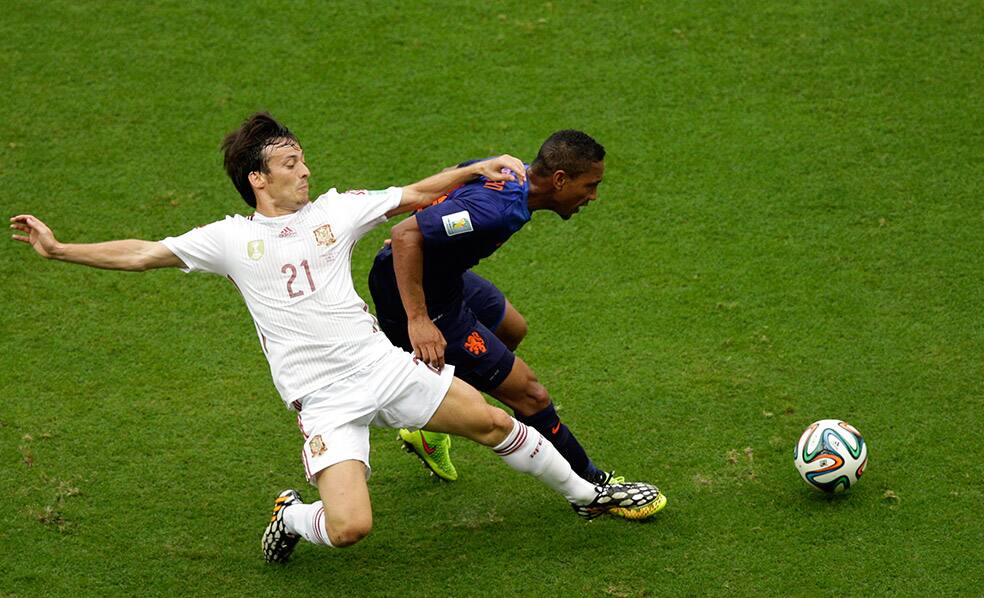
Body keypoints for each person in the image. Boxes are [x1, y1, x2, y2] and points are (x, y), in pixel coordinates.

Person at [10, 113, 664, 565]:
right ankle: (291, 516)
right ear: (257, 180)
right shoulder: (231, 239)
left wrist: (472, 171)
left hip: (382, 367)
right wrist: (60, 248)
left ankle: (590, 494)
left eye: (301, 158)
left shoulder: (334, 210)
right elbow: (142, 253)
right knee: (349, 527)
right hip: (323, 400)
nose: (303, 168)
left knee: (492, 422)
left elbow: (412, 196)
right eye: (289, 163)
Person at [367, 131, 649, 512]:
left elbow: (457, 174)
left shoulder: (507, 171)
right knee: (530, 393)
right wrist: (418, 319)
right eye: (590, 185)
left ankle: (428, 424)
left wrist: (425, 222)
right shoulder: (495, 210)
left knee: (511, 328)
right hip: (418, 294)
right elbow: (404, 237)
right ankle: (594, 488)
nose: (593, 196)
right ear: (561, 179)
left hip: (446, 277)